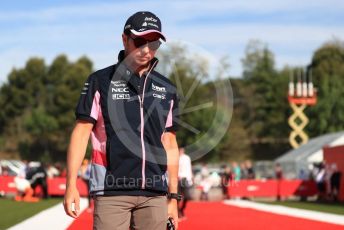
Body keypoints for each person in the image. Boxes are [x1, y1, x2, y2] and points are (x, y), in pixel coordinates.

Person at [63, 11, 181, 230]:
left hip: (155, 195)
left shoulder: (167, 89)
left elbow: (170, 143)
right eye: (140, 41)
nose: (147, 49)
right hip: (111, 192)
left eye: (154, 42)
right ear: (124, 39)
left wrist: (173, 197)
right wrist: (71, 184)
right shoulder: (100, 81)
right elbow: (81, 133)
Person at [178, 147, 193, 219]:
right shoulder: (175, 157)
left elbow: (189, 168)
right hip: (177, 179)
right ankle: (178, 212)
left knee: (187, 196)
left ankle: (181, 209)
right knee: (177, 197)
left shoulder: (187, 158)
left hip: (186, 178)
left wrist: (191, 178)